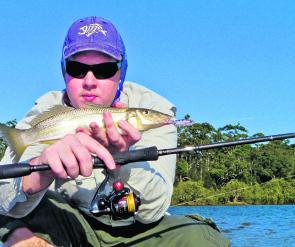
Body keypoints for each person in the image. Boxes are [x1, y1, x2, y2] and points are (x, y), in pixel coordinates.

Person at [0, 16, 230, 246]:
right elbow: (3, 198)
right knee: (12, 222)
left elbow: (153, 210)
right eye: (77, 68)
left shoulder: (155, 108)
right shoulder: (48, 110)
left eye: (105, 69)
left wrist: (120, 162)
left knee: (203, 237)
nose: (89, 81)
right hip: (70, 223)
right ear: (64, 71)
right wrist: (40, 172)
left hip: (138, 230)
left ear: (121, 72)